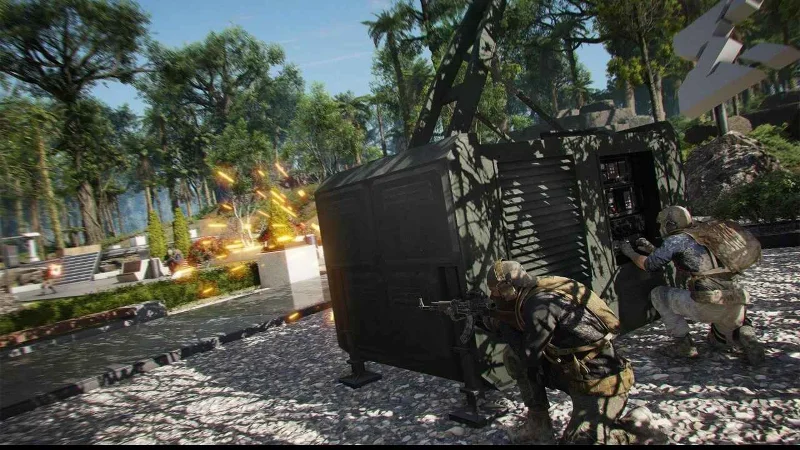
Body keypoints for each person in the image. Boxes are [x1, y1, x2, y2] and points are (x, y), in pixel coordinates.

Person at [483, 260, 664, 445]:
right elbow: (521, 327)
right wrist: (489, 317)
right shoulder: (540, 291)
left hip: (600, 383)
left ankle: (636, 428)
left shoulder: (539, 306)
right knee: (513, 357)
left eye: (495, 291)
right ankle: (539, 426)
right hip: (572, 371)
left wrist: (501, 325)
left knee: (578, 442)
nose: (493, 296)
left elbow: (530, 355)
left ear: (508, 288)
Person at [619, 205, 765, 365]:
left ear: (670, 224)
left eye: (662, 224)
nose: (660, 228)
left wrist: (629, 252)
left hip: (708, 304)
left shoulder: (676, 240)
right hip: (735, 304)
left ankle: (683, 344)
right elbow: (685, 257)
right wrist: (650, 248)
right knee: (718, 343)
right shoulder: (705, 234)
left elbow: (648, 264)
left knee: (658, 294)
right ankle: (746, 334)